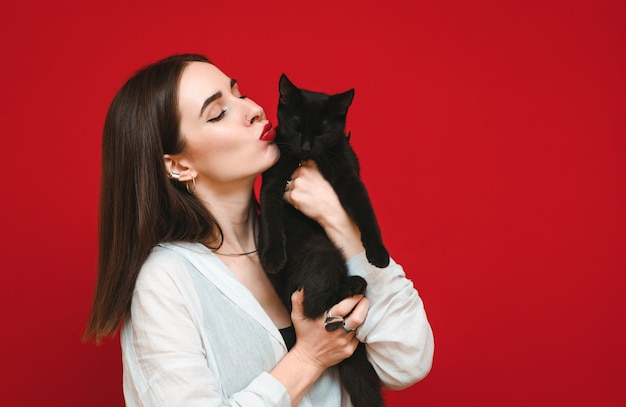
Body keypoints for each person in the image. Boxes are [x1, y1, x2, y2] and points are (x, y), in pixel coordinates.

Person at [84, 53, 434, 406]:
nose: (253, 110)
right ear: (178, 165)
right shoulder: (167, 280)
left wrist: (338, 221)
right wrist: (308, 358)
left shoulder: (308, 235)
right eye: (218, 113)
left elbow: (407, 361)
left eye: (240, 93)